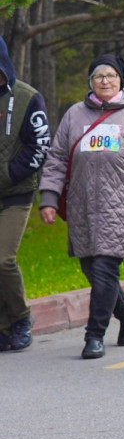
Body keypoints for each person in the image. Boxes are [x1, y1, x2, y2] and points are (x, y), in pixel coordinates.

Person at [38, 54, 124, 359]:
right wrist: (49, 198)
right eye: (98, 76)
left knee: (105, 268)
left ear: (122, 80)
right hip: (83, 204)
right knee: (92, 269)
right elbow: (56, 158)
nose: (104, 80)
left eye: (110, 75)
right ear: (90, 82)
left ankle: (94, 336)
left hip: (123, 205)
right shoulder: (74, 115)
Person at [0, 36, 50, 352]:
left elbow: (40, 146)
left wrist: (7, 175)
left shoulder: (27, 98)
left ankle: (20, 318)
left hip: (15, 193)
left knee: (2, 260)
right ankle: (4, 328)